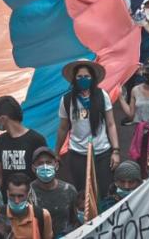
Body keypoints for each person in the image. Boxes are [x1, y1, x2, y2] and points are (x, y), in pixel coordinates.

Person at [55, 60, 120, 200]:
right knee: (83, 195)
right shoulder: (66, 100)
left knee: (106, 192)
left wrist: (116, 151)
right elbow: (63, 128)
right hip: (78, 153)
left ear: (92, 78)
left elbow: (111, 124)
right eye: (79, 77)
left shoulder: (102, 96)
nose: (83, 79)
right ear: (74, 79)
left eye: (86, 76)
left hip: (102, 152)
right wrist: (56, 152)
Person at [0, 95, 48, 193]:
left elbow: (43, 174)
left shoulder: (36, 140)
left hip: (30, 198)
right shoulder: (0, 141)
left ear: (3, 118)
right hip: (7, 200)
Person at [0, 173, 53, 239]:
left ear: (28, 194)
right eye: (12, 196)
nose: (16, 201)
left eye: (20, 196)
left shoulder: (42, 215)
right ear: (7, 193)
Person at [29, 147, 77, 237]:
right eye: (40, 163)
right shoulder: (28, 192)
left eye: (48, 162)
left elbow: (75, 221)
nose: (45, 166)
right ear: (33, 168)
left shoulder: (69, 190)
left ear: (56, 165)